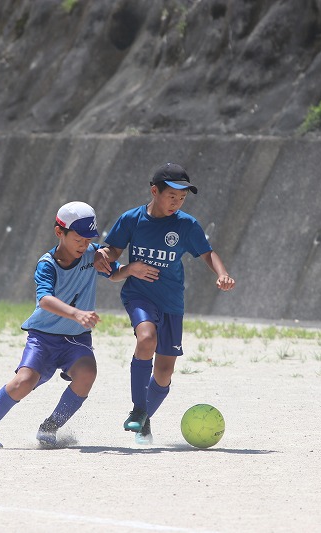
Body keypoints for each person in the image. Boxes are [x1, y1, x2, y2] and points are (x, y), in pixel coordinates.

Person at [94, 162, 235, 445]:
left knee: (164, 371)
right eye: (172, 195)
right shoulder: (132, 219)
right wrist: (102, 254)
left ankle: (145, 420)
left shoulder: (186, 225)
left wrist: (222, 273)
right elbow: (113, 250)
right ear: (154, 191)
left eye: (182, 198)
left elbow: (207, 254)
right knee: (146, 338)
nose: (177, 202)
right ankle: (138, 409)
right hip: (139, 294)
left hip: (172, 302)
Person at [0, 201, 123, 448]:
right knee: (23, 382)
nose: (84, 244)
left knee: (87, 374)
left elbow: (113, 272)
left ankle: (50, 428)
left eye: (88, 239)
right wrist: (76, 313)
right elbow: (45, 299)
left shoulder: (92, 254)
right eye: (79, 239)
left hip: (75, 339)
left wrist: (132, 269)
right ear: (59, 232)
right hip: (43, 338)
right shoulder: (47, 264)